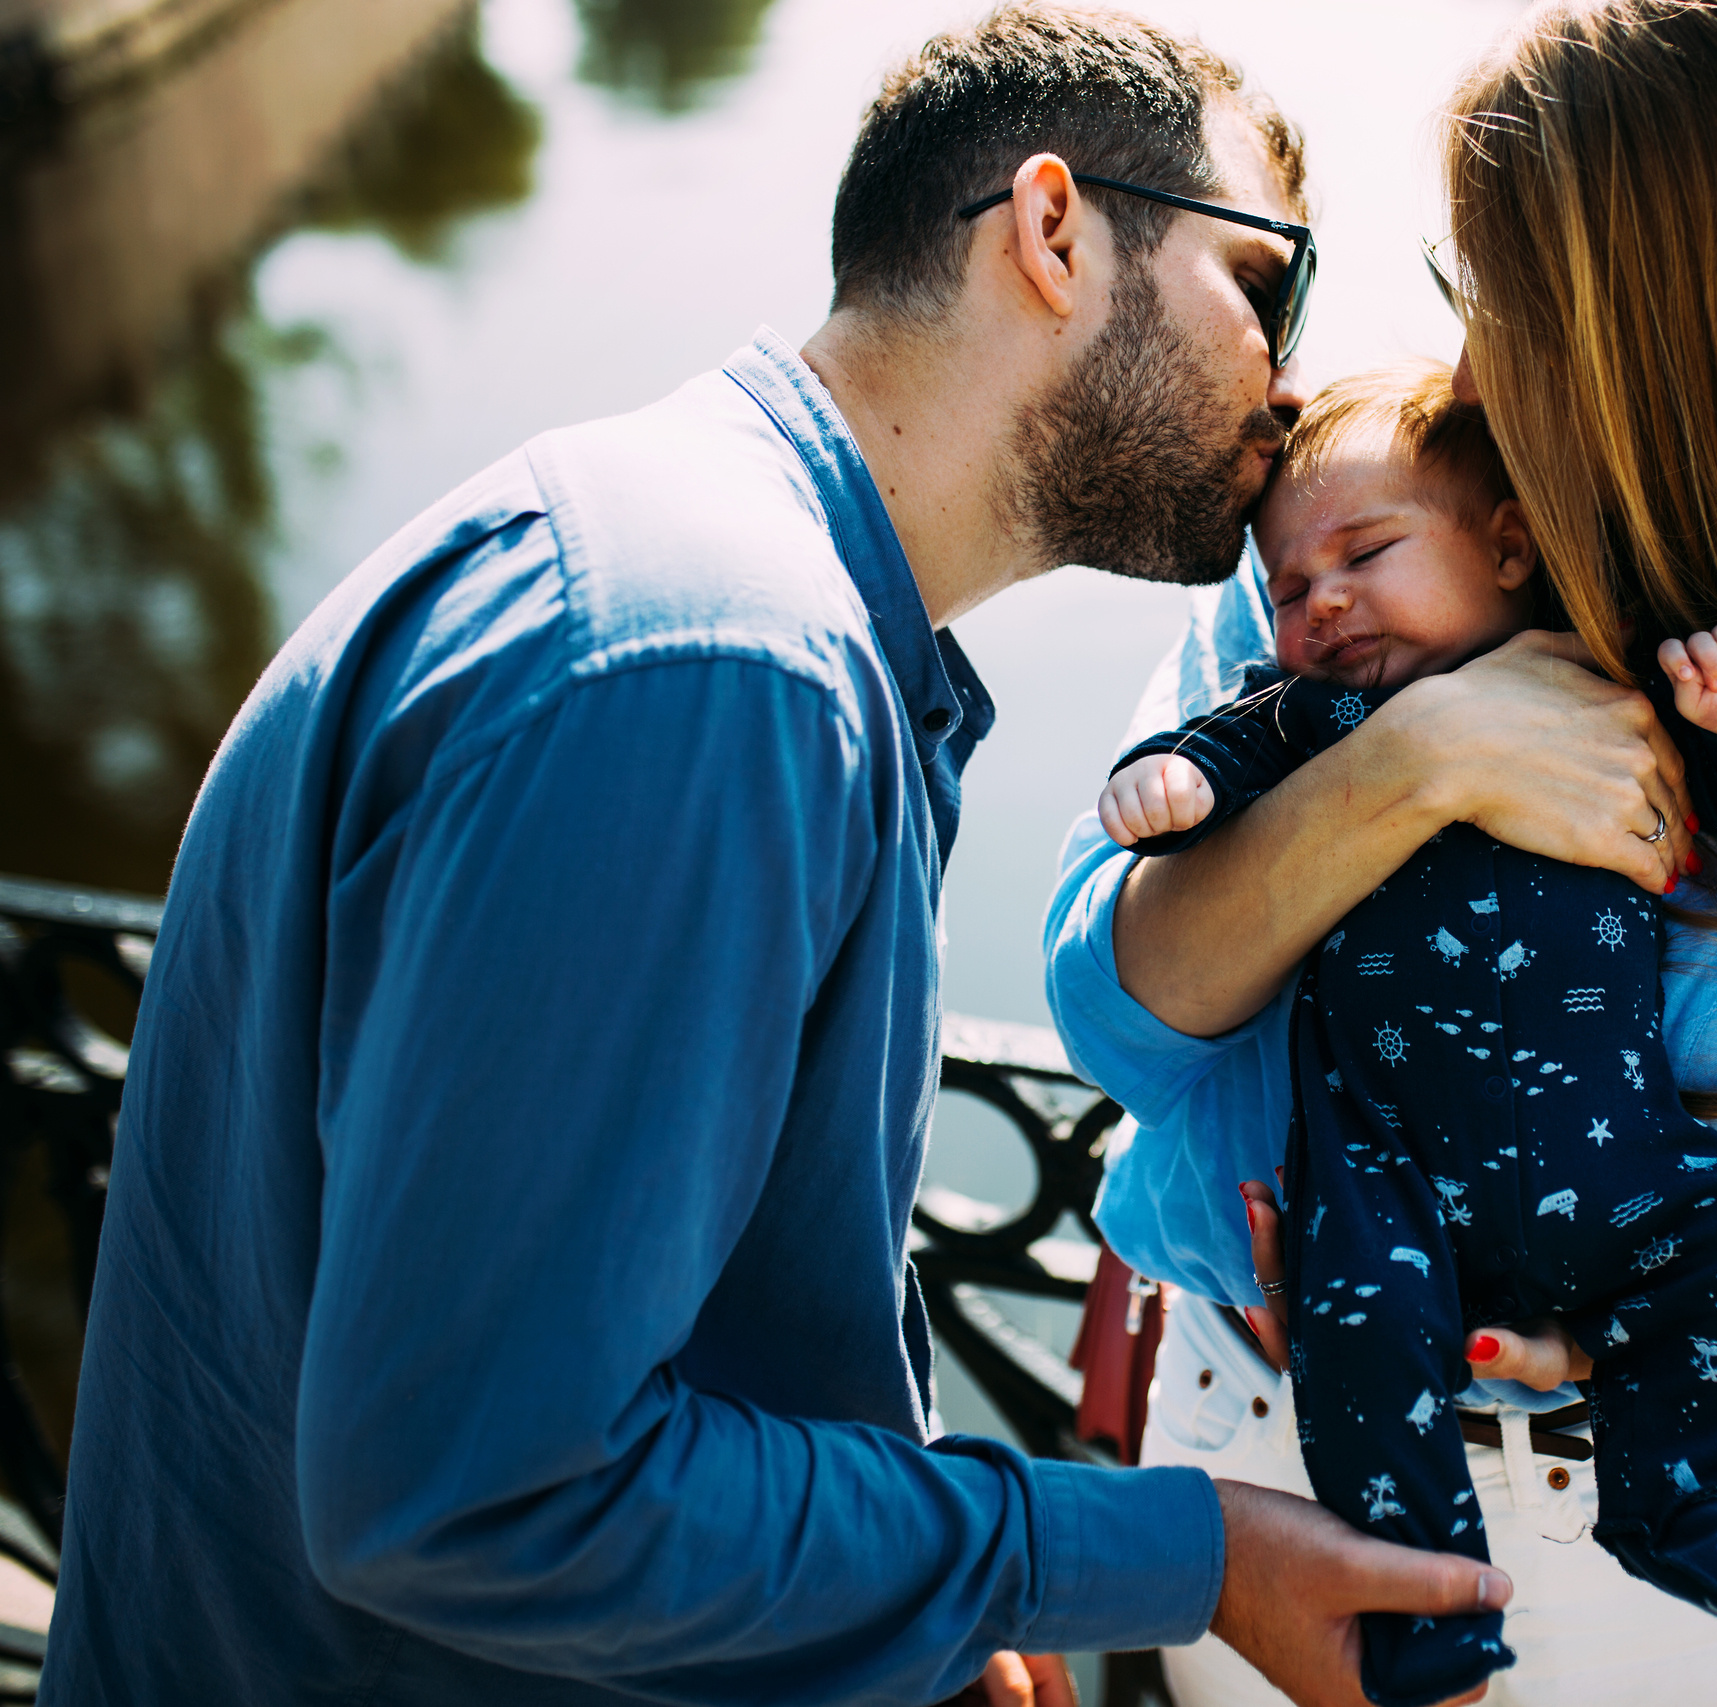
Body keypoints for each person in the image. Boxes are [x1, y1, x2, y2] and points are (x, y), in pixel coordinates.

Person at [38, 9, 1515, 1707]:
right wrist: (1167, 1554)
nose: (1291, 387)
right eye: (1267, 286)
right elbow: (481, 1494)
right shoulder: (715, 672)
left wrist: (916, 1603)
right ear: (1051, 233)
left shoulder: (693, 571)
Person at [1043, 3, 1717, 1703]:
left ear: (1662, 333)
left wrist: (1631, 1347)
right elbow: (1118, 1016)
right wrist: (1418, 764)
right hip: (1267, 1454)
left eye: (1495, 294)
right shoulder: (1352, 568)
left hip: (1657, 1546)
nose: (1464, 356)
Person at [1095, 363, 1717, 1707]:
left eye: (1366, 556)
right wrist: (1173, 783)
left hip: (1619, 1162)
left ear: (1505, 544)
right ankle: (1422, 1612)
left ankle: (1687, 1503)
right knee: (1358, 1326)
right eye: (1289, 589)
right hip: (1391, 1167)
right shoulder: (1317, 717)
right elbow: (1214, 766)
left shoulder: (1611, 688)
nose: (1322, 606)